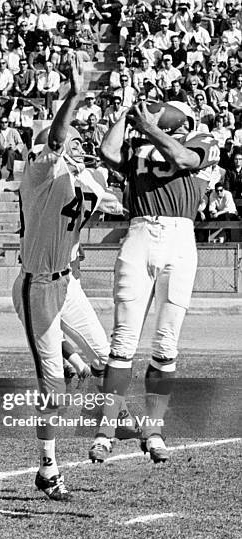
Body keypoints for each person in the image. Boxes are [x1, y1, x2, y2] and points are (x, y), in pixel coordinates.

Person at [12, 66, 124, 501]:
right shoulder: (42, 172)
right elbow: (57, 139)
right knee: (54, 392)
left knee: (108, 362)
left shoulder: (91, 178)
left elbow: (112, 190)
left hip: (67, 282)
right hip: (37, 286)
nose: (79, 143)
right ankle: (47, 466)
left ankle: (117, 423)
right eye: (73, 138)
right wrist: (74, 96)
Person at [96, 101, 220, 463]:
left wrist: (150, 128)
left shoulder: (204, 139)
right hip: (139, 232)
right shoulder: (140, 144)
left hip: (180, 236)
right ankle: (106, 430)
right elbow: (106, 151)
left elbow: (184, 160)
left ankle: (153, 430)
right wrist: (125, 114)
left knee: (166, 343)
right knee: (123, 340)